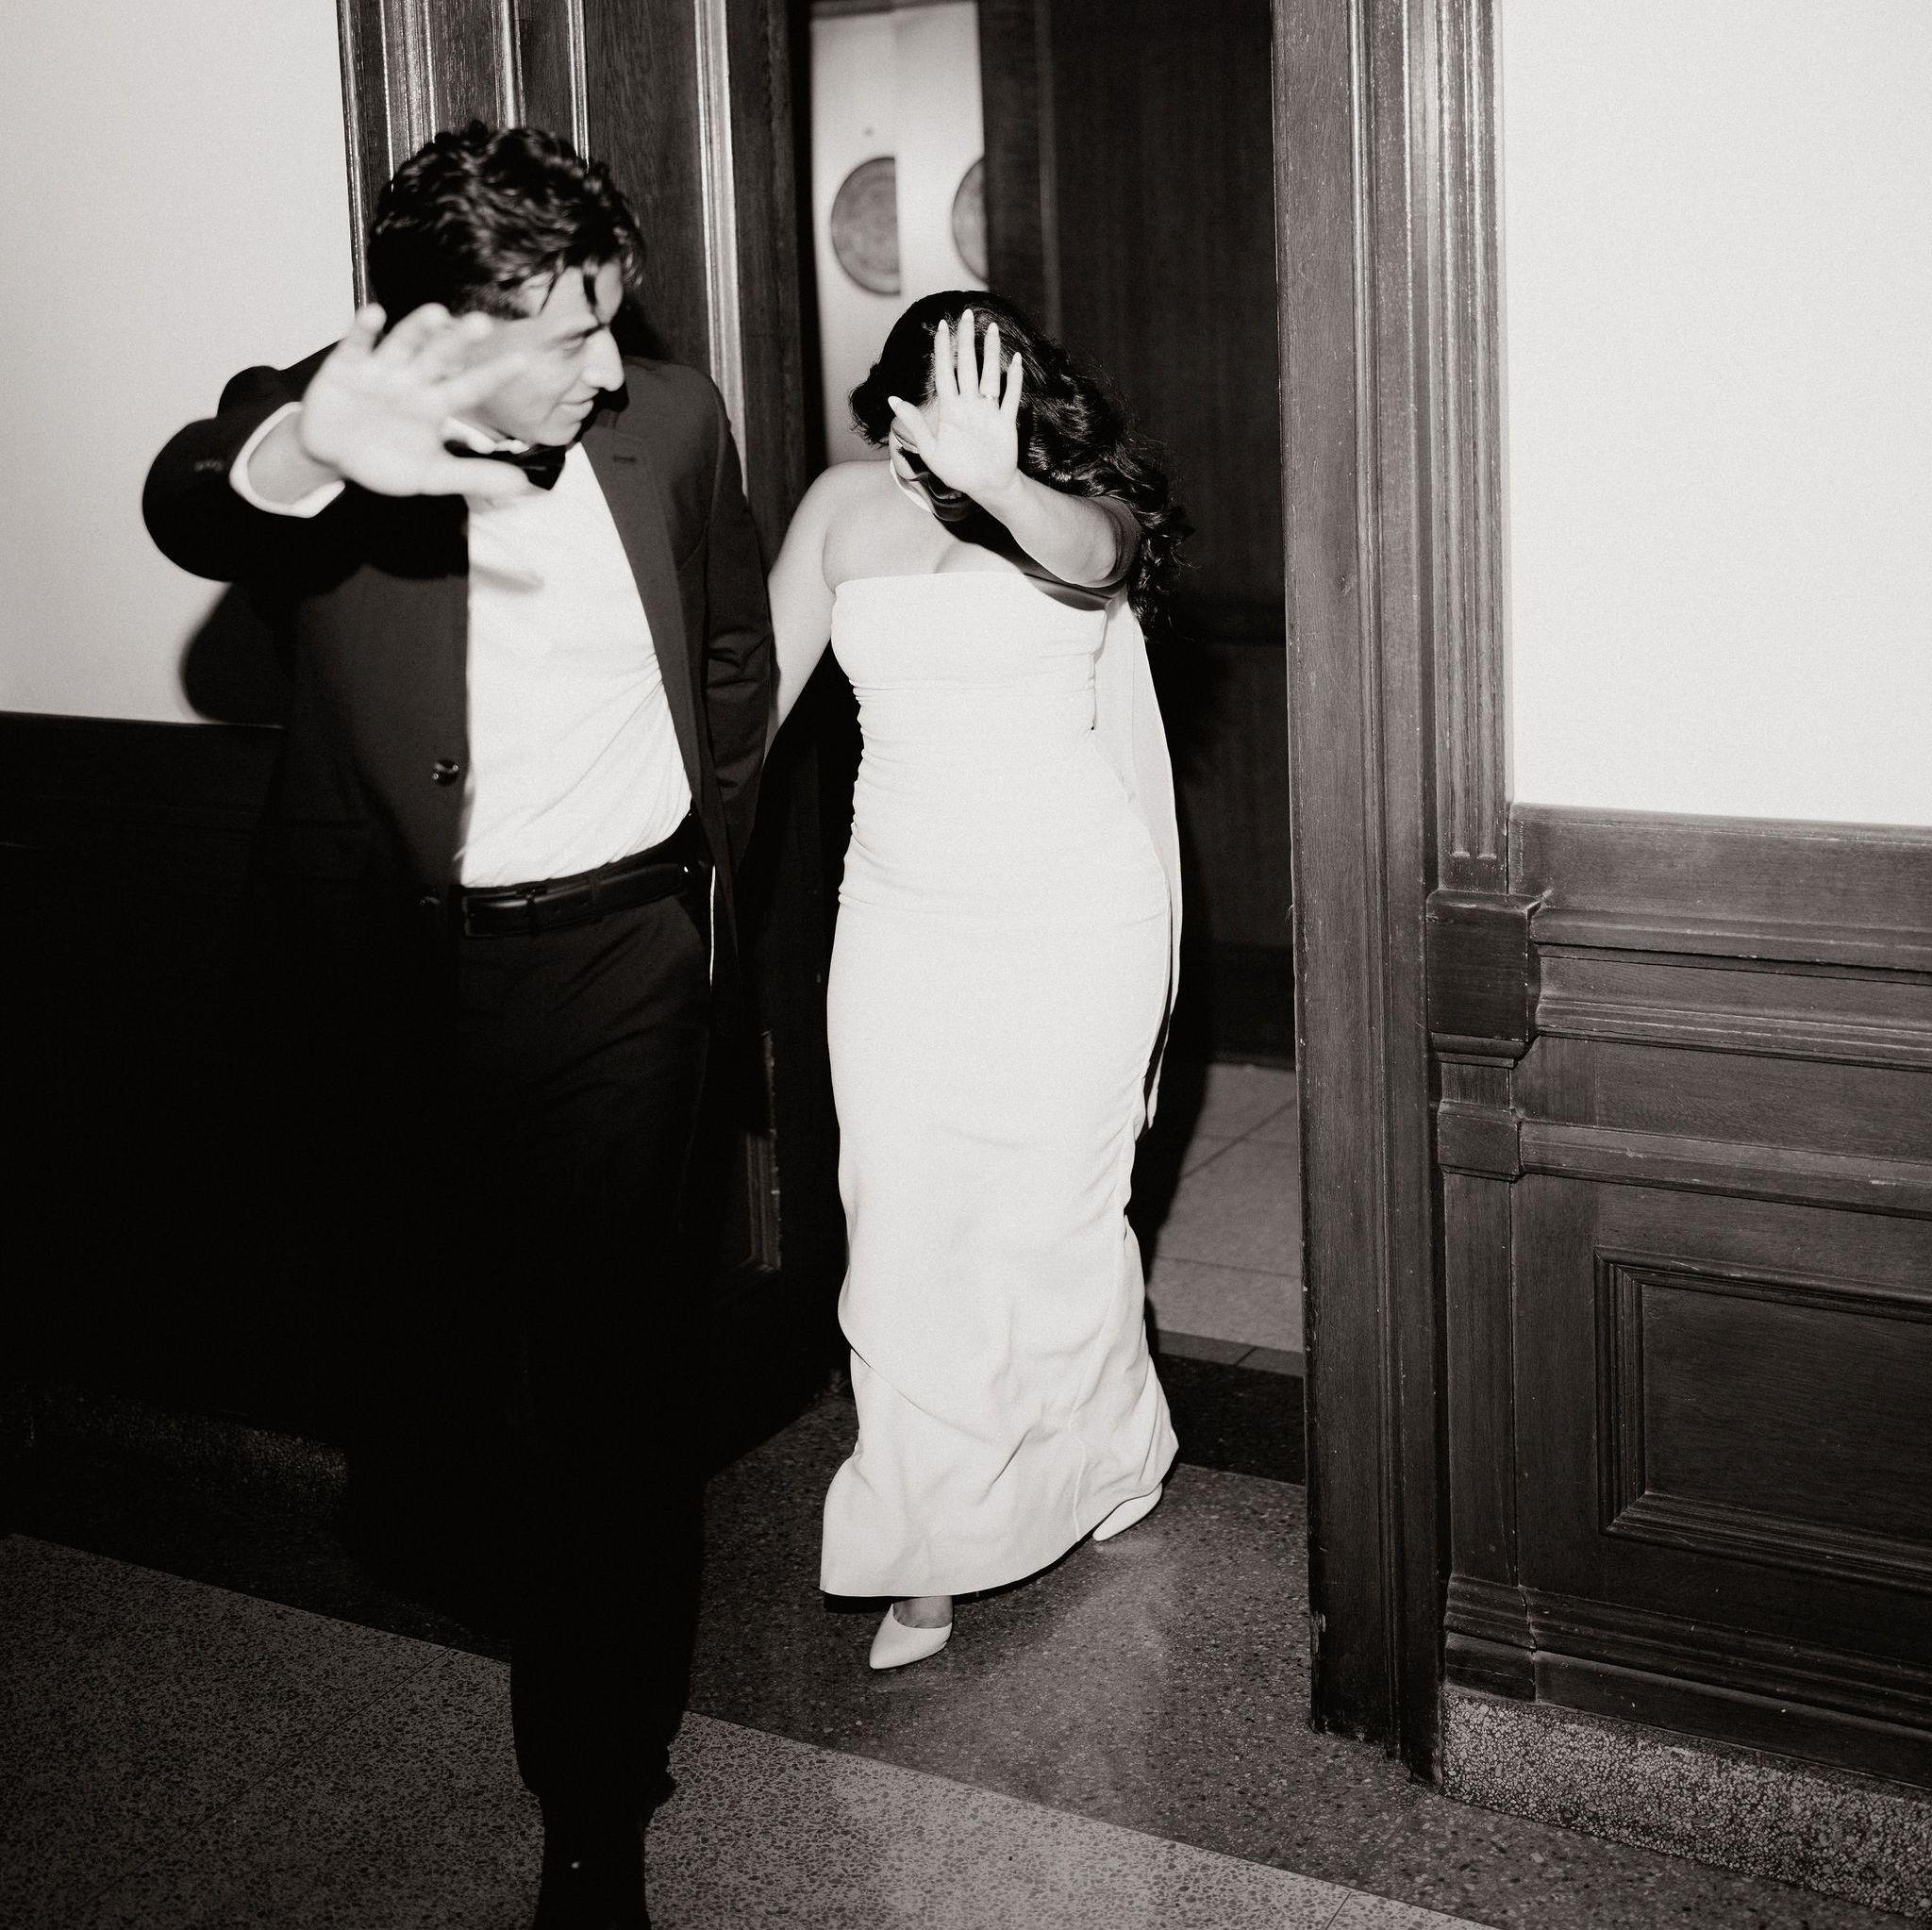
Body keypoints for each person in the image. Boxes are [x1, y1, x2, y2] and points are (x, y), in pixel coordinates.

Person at [143, 124, 772, 1929]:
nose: (608, 364)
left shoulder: (673, 421)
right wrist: (301, 456)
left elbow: (731, 651)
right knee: (421, 1363)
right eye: (568, 333)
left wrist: (700, 866)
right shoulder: (334, 417)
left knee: (610, 1395)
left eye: (612, 318)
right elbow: (196, 492)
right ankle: (462, 1529)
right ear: (441, 329)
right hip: (397, 981)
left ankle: (595, 1800)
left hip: (622, 966)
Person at [767, 291, 1187, 1669]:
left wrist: (998, 478)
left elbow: (1099, 561)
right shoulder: (839, 511)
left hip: (1076, 916)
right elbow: (746, 713)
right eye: (923, 408)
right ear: (887, 407)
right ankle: (929, 1540)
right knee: (903, 1217)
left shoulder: (1069, 510)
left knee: (1055, 1214)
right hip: (900, 916)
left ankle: (1106, 1454)